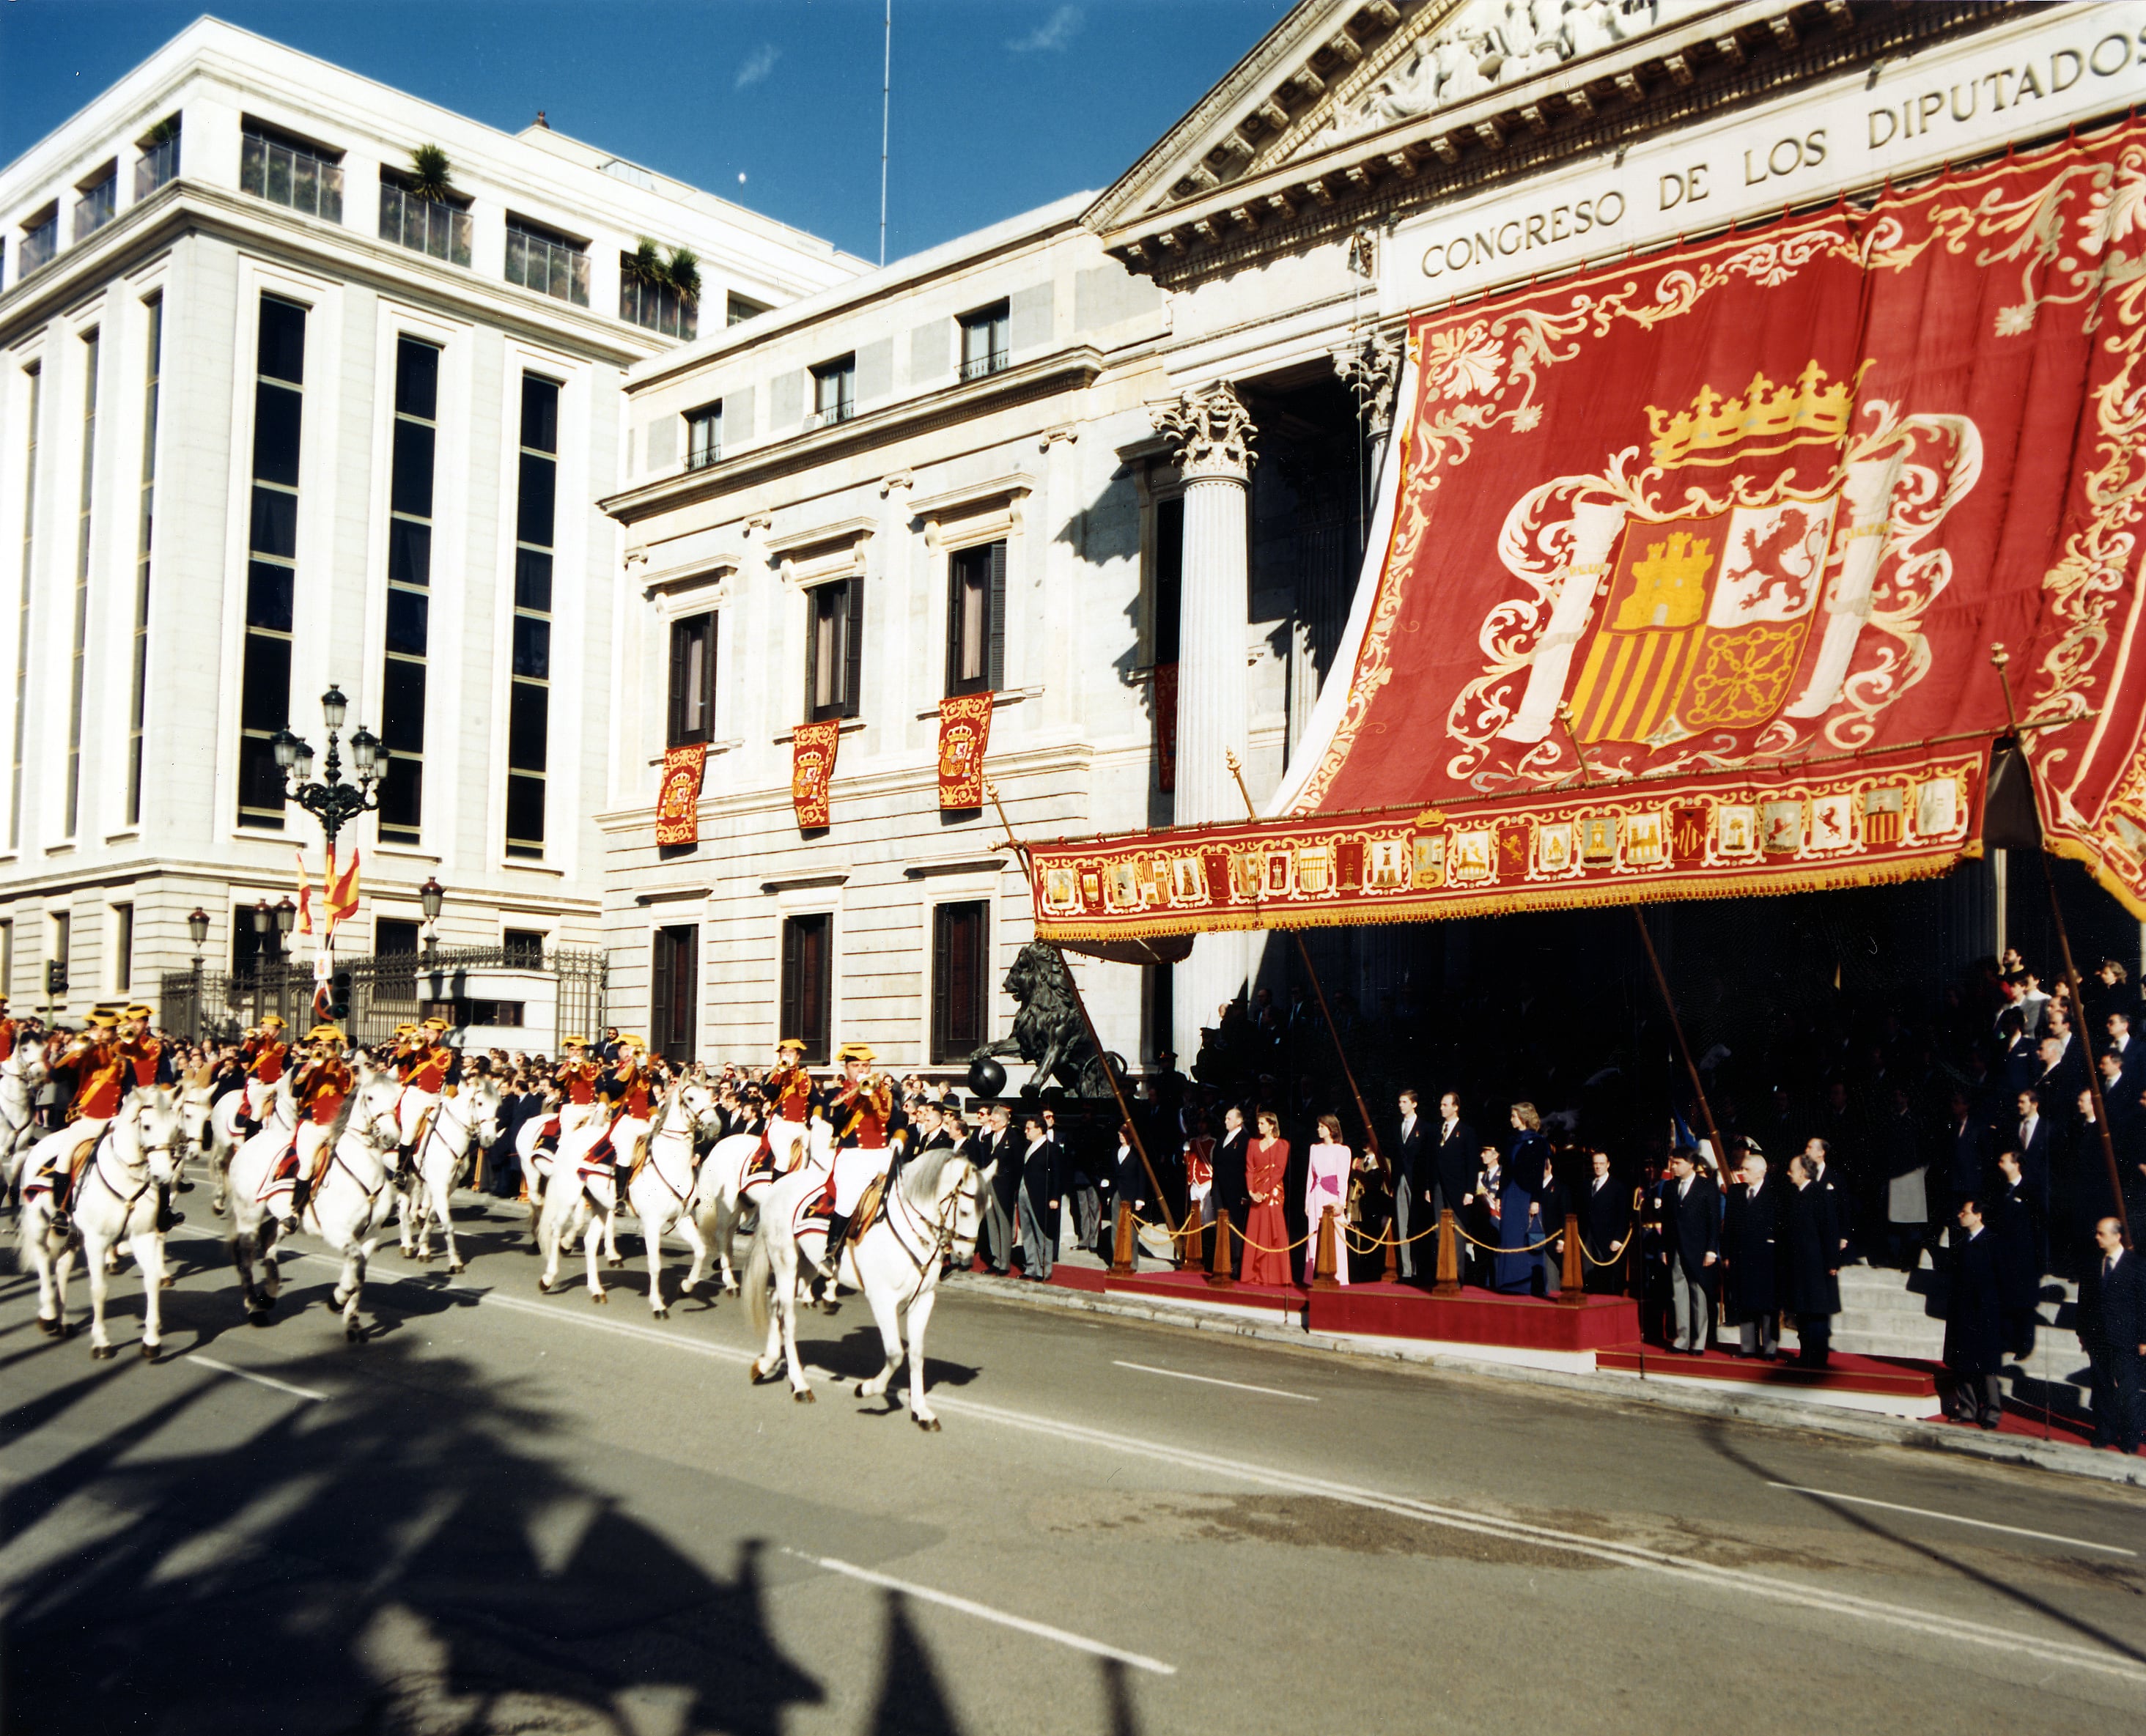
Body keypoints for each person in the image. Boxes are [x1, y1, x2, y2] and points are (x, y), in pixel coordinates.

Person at [819, 1042, 895, 1276]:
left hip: (882, 1153)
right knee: (848, 1198)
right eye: (856, 1066)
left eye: (866, 1065)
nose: (862, 1070)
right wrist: (856, 1096)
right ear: (847, 1068)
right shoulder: (836, 1094)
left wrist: (900, 1139)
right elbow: (836, 1122)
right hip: (853, 1155)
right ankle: (832, 1253)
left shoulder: (884, 1092)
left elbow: (896, 1123)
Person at [2077, 1216, 2145, 1453]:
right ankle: (2104, 1432)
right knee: (2102, 1386)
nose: (2097, 1237)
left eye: (2102, 1234)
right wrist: (2082, 1331)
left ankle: (2130, 1437)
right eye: (2096, 1233)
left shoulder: (2136, 1264)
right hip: (2098, 1336)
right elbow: (2084, 1299)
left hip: (2125, 1338)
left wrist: (2144, 1339)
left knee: (2128, 1389)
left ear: (2117, 1236)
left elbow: (2143, 1304)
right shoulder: (2094, 1263)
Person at [1942, 1195, 2007, 1430]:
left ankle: (1991, 1412)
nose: (1961, 1215)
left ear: (1978, 1215)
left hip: (1985, 1313)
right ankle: (1968, 1408)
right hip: (1963, 1313)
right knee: (1963, 1365)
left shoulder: (1993, 1242)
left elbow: (2002, 1280)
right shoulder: (1962, 1243)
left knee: (1987, 1367)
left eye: (1965, 1212)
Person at [1783, 1151, 1841, 1368]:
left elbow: (1830, 1230)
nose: (1789, 1173)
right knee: (1803, 1312)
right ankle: (1806, 1354)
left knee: (1816, 1313)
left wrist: (1832, 1262)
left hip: (1817, 1266)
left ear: (1804, 1172)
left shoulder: (1819, 1193)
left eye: (1792, 1169)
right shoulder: (1795, 1194)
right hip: (1799, 1267)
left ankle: (1817, 1358)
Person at [1721, 1151, 1780, 1359]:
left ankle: (1770, 1348)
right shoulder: (1736, 1192)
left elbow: (1780, 1227)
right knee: (1745, 1303)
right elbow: (1728, 1227)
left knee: (1767, 1305)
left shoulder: (1774, 1193)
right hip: (1741, 1256)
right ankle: (1748, 1347)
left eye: (1747, 1169)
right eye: (1742, 1169)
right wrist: (1727, 1254)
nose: (1742, 1173)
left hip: (1767, 1258)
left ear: (1761, 1171)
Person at [1661, 1149, 1719, 1351]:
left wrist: (1712, 1250)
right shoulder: (1669, 1187)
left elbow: (1714, 1221)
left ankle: (1699, 1341)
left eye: (1678, 1163)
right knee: (1679, 1293)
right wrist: (1665, 1249)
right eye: (1672, 1162)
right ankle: (1682, 1338)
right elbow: (1667, 1222)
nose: (1673, 1166)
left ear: (1691, 1164)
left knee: (1698, 1294)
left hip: (1699, 1250)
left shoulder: (1707, 1187)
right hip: (1676, 1249)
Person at [1242, 1109, 1293, 1286]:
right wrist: (1251, 1191)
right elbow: (1250, 1168)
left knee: (1274, 1231)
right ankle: (1254, 1273)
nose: (1259, 1126)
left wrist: (1263, 1191)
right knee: (1256, 1229)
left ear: (1272, 1125)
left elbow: (1279, 1171)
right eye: (1258, 1123)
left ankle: (1275, 1275)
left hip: (1272, 1193)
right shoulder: (1253, 1144)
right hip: (1255, 1193)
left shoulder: (1282, 1145)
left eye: (1263, 1123)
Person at [1432, 1090, 1478, 1282]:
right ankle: (1442, 1273)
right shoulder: (1437, 1130)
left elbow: (1472, 1164)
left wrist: (1470, 1191)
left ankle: (1457, 1276)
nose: (1442, 1108)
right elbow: (1432, 1161)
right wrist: (1429, 1187)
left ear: (1455, 1107)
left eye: (1445, 1105)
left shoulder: (1466, 1132)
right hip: (1438, 1188)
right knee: (1438, 1231)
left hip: (1458, 1190)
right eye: (1441, 1105)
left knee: (1457, 1233)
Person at [1303, 1114, 1354, 1286]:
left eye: (1322, 1127)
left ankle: (1338, 1276)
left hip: (1332, 1197)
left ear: (1331, 1129)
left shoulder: (1342, 1150)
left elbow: (1343, 1179)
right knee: (1314, 1235)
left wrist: (1342, 1203)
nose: (1319, 1129)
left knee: (1335, 1236)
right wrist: (1308, 1202)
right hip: (1316, 1195)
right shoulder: (1314, 1149)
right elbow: (1311, 1177)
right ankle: (1312, 1277)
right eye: (1318, 1126)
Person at [1575, 1148, 1631, 1293]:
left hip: (1608, 1239)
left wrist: (1618, 1238)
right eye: (1595, 1164)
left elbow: (1623, 1215)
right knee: (1589, 1276)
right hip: (1588, 1237)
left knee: (1608, 1277)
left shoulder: (1618, 1188)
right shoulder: (1586, 1185)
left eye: (1601, 1163)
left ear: (1608, 1165)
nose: (1598, 1166)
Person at [1015, 1111, 1058, 1281]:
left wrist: (1054, 1197)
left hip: (1041, 1197)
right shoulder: (1027, 1147)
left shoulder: (1051, 1149)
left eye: (1029, 1129)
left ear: (1039, 1130)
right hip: (1024, 1195)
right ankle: (1031, 1267)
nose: (1026, 1132)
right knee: (1027, 1234)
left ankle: (1044, 1270)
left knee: (1042, 1234)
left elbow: (1057, 1175)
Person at [1393, 1089, 1425, 1279]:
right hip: (1400, 1180)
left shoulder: (1424, 1127)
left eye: (1404, 1101)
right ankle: (1406, 1271)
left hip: (1417, 1181)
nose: (1401, 1105)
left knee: (1418, 1225)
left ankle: (1418, 1269)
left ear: (1414, 1104)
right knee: (1402, 1225)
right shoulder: (1397, 1127)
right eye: (1399, 1101)